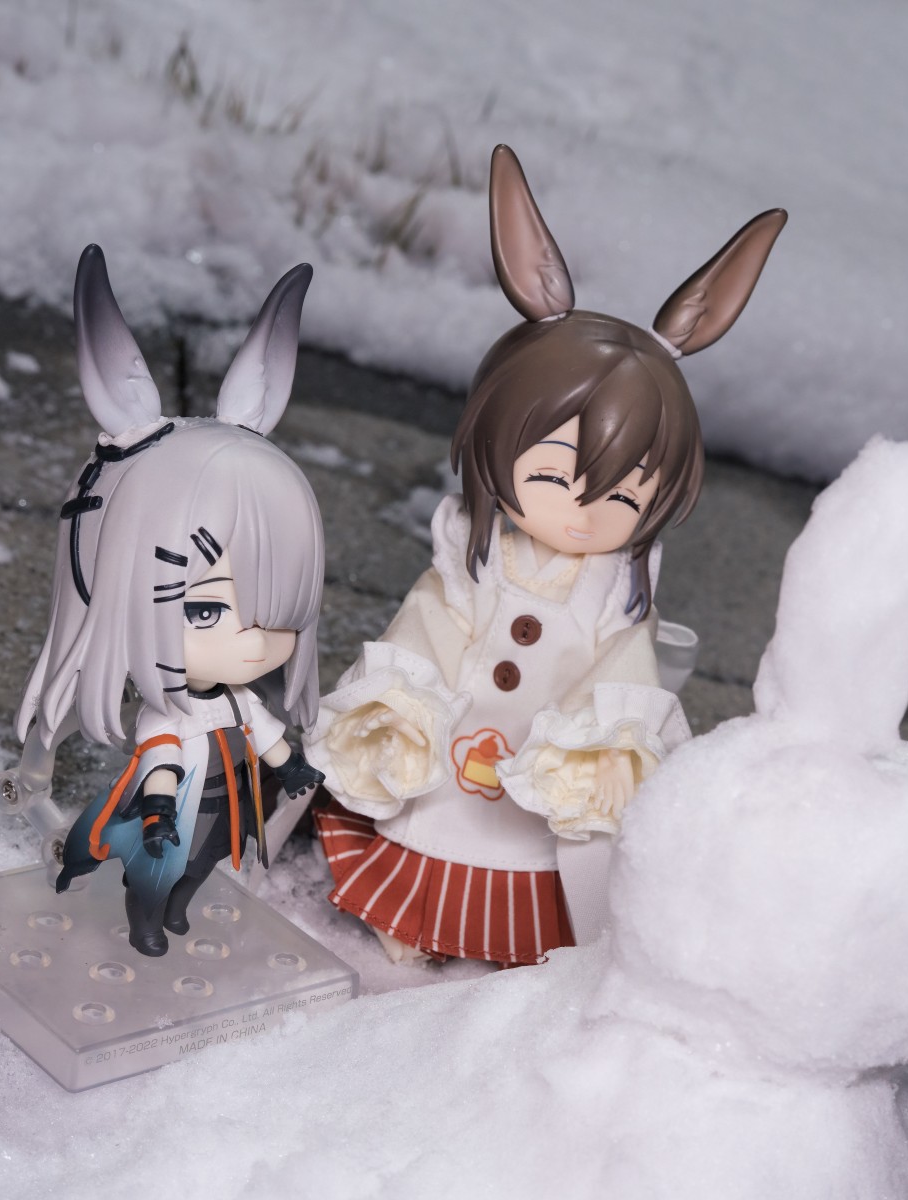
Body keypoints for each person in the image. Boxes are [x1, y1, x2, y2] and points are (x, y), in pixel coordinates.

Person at [304, 146, 785, 965]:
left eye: (627, 495)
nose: (587, 512)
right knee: (432, 825)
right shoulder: (474, 555)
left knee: (524, 856)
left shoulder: (618, 590)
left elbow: (624, 664)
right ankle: (407, 917)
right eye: (557, 477)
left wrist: (598, 743)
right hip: (453, 752)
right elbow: (432, 621)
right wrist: (403, 705)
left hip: (539, 768)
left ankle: (516, 945)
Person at [18, 246, 326, 957]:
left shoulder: (239, 701)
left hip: (227, 801)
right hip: (175, 804)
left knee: (207, 859)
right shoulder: (170, 709)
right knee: (158, 865)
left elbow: (266, 733)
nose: (254, 639)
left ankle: (178, 907)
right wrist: (157, 805)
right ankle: (147, 919)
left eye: (275, 606)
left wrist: (292, 767)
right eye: (205, 610)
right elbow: (158, 755)